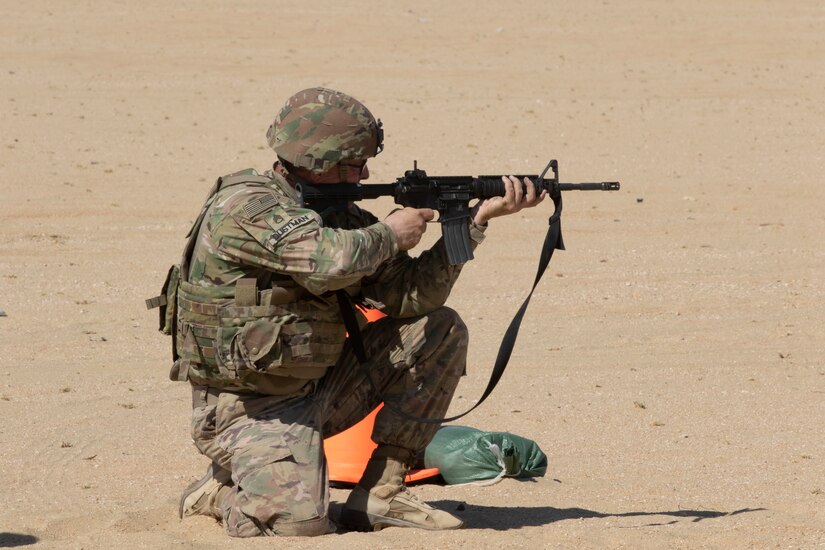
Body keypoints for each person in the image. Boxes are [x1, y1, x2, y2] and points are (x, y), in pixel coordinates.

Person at [171, 87, 544, 537]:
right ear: (319, 161)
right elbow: (325, 260)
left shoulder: (337, 215)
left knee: (439, 329)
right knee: (299, 524)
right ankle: (219, 493)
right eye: (353, 163)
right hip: (247, 409)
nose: (366, 172)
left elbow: (410, 296)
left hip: (320, 388)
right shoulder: (248, 208)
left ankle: (383, 492)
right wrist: (390, 232)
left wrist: (473, 223)